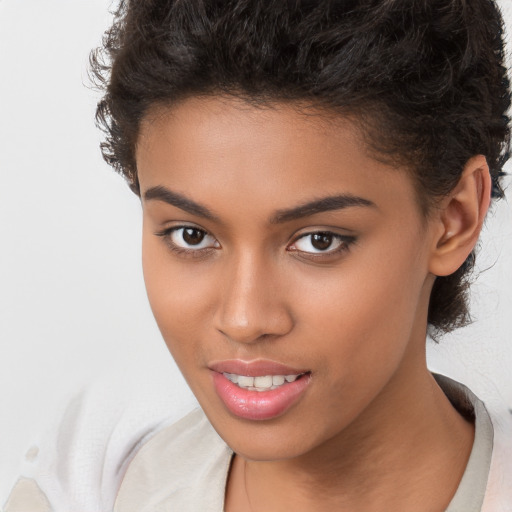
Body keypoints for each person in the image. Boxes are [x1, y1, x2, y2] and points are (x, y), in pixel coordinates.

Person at [4, 0, 512, 510]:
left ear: (455, 219)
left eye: (319, 240)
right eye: (191, 236)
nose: (245, 319)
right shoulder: (88, 490)